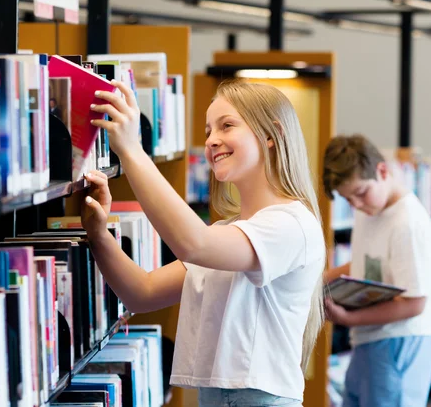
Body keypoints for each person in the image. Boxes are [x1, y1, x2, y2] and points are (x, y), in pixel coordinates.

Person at [81, 79, 326, 406]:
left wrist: (130, 150)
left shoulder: (292, 224)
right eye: (209, 130)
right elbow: (142, 293)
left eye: (227, 126)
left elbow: (193, 244)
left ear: (272, 135)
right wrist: (99, 236)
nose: (212, 140)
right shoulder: (231, 232)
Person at [322, 134, 431, 407]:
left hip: (400, 340)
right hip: (370, 339)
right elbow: (368, 263)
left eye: (361, 193)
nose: (357, 206)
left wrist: (349, 319)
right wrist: (321, 280)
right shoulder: (370, 210)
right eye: (348, 200)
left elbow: (415, 303)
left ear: (382, 171)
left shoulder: (407, 224)